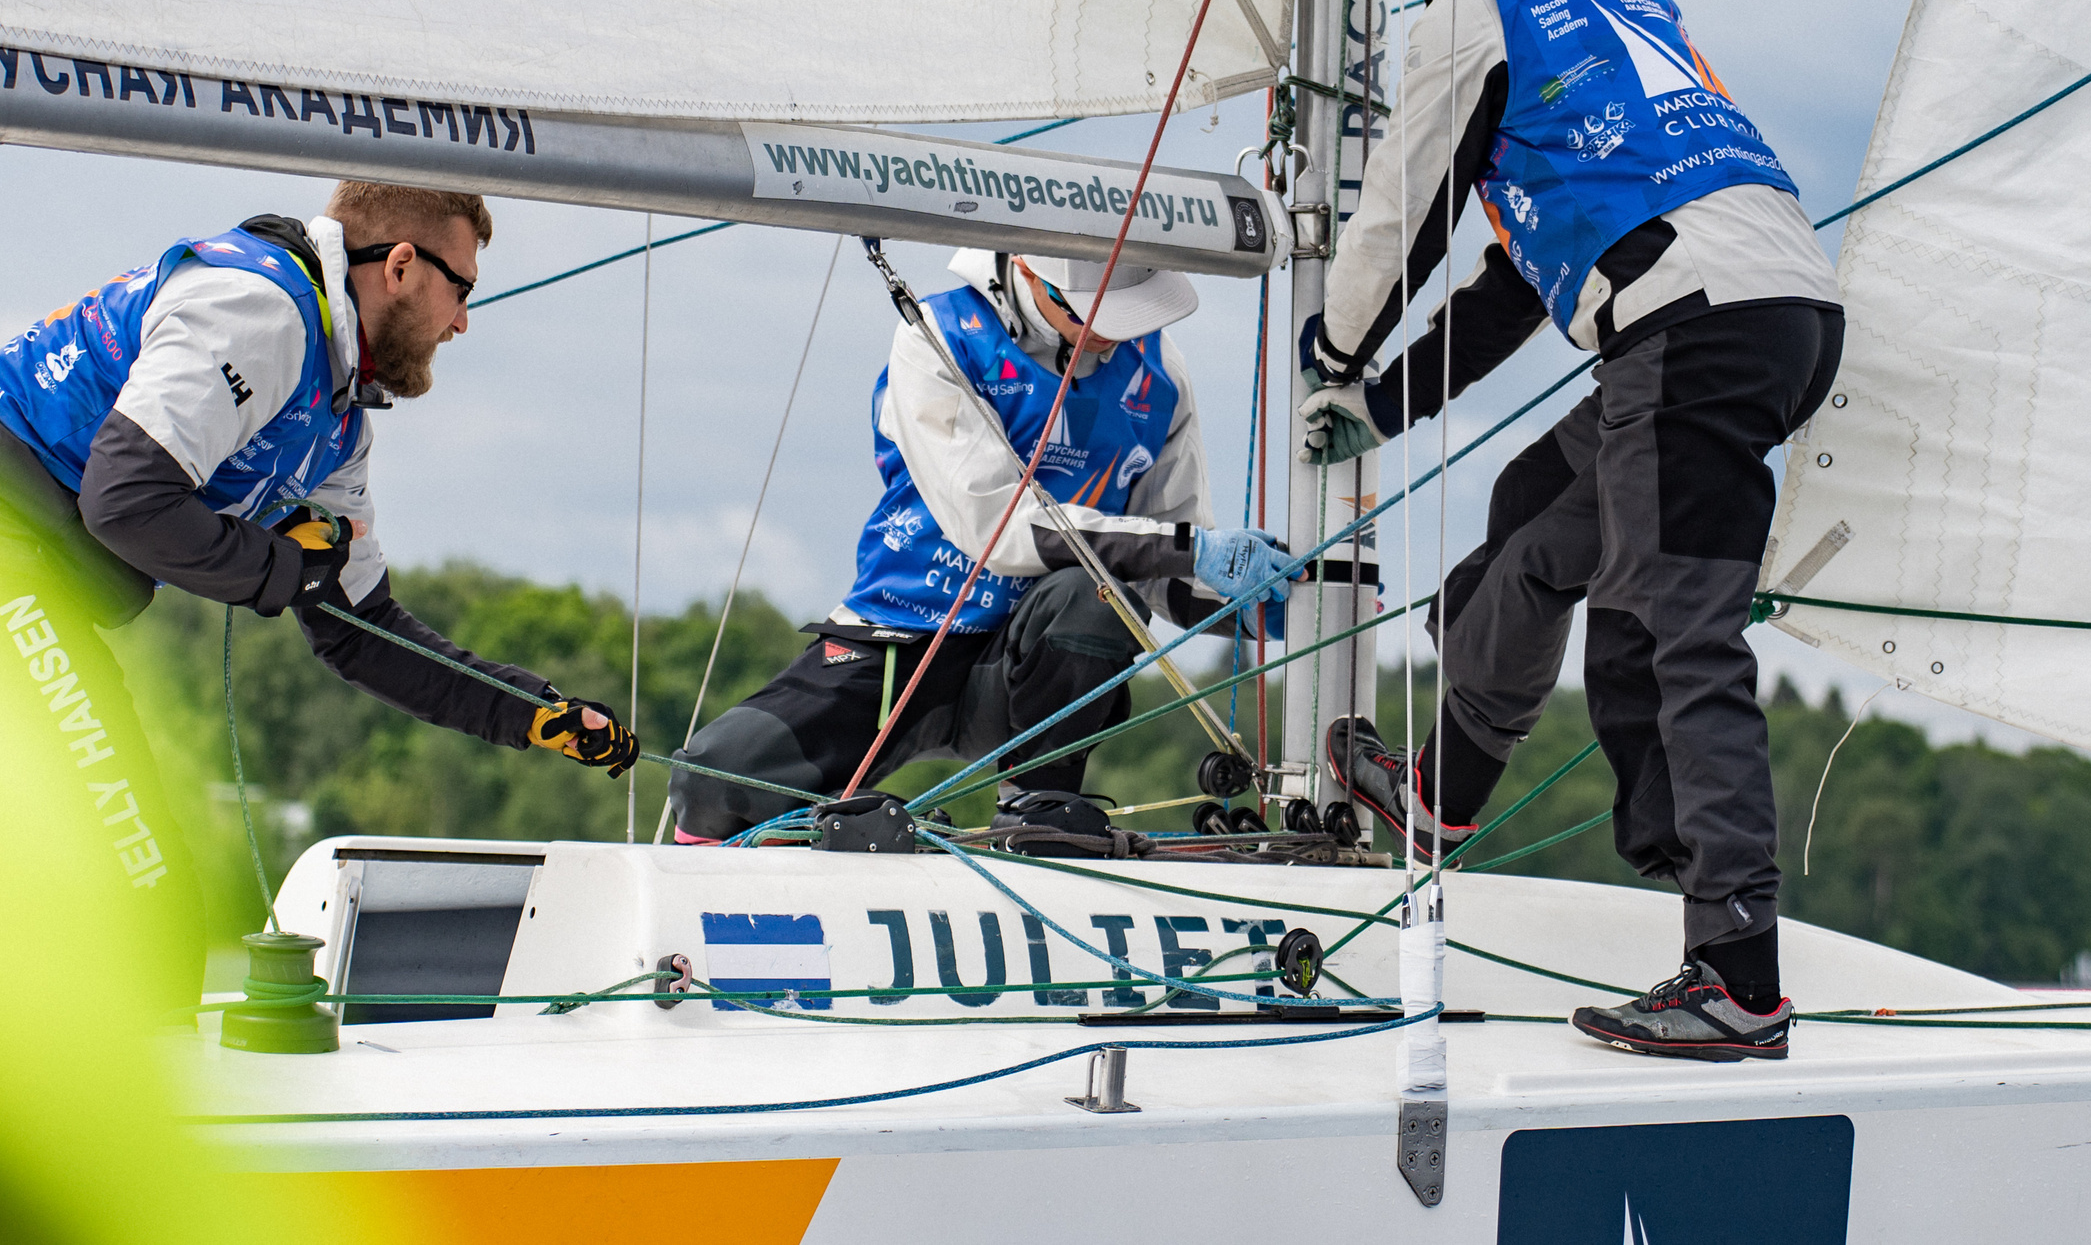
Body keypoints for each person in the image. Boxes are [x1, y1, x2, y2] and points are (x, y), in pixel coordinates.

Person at [1298, 0, 1842, 1061]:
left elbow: (1401, 212)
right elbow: (1502, 288)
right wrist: (1379, 410)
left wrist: (1333, 353)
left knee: (1674, 636)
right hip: (1775, 314)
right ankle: (1437, 800)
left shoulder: (1473, 14)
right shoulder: (1621, 0)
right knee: (1536, 520)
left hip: (1685, 330)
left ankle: (1736, 978)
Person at [0, 182, 640, 1012]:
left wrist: (530, 712)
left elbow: (360, 628)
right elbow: (125, 500)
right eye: (463, 289)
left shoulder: (338, 424)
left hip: (33, 578)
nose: (463, 322)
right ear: (403, 266)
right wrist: (280, 566)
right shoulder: (260, 310)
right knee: (141, 899)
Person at [670, 251, 1291, 844]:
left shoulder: (1160, 376)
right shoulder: (938, 337)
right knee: (713, 781)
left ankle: (1039, 813)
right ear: (1027, 273)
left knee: (1096, 593)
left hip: (1038, 663)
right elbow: (996, 524)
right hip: (902, 642)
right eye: (1093, 316)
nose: (1112, 337)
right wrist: (1189, 550)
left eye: (1130, 318)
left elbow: (1168, 566)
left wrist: (1268, 607)